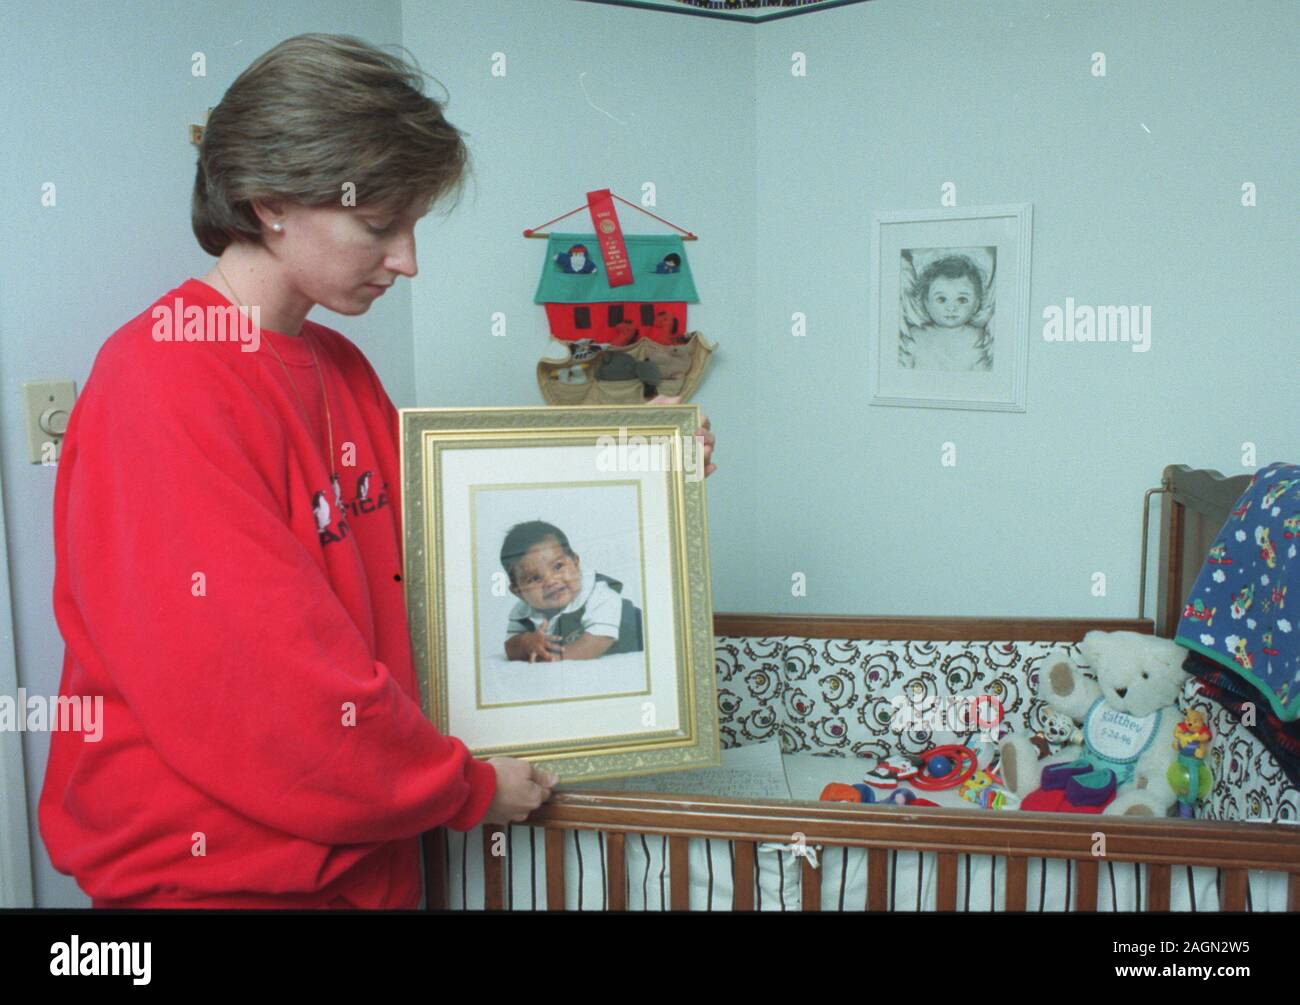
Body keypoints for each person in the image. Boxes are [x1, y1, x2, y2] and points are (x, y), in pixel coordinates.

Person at [38, 33, 716, 911]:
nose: (407, 260)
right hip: (222, 882)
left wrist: (645, 460)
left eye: (413, 225)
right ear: (271, 202)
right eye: (379, 225)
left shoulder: (341, 366)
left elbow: (450, 548)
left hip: (367, 863)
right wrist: (465, 788)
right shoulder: (160, 381)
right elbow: (264, 686)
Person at [501, 521, 644, 662]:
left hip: (644, 635)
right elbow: (510, 648)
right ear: (518, 592)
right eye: (535, 578)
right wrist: (525, 643)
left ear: (575, 562)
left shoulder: (597, 593)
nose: (551, 582)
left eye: (558, 567)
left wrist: (556, 658)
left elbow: (600, 639)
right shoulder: (522, 612)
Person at [899, 254, 993, 372]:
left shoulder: (981, 338)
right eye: (941, 299)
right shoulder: (914, 336)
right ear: (926, 303)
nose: (951, 308)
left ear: (976, 304)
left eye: (962, 299)